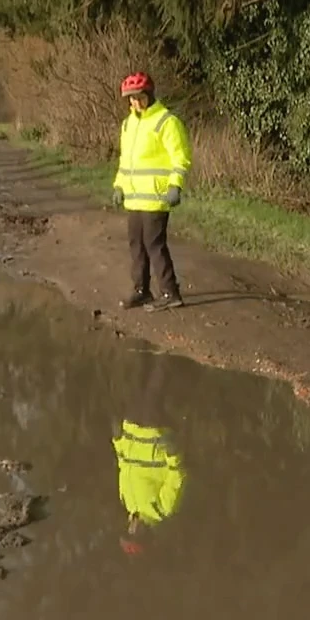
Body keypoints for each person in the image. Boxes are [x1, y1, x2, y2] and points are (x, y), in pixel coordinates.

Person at [111, 72, 190, 311]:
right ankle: (141, 291)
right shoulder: (128, 124)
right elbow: (126, 161)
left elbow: (181, 157)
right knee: (137, 245)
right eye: (131, 99)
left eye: (139, 97)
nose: (135, 103)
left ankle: (170, 293)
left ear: (149, 95)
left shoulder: (166, 122)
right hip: (134, 198)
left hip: (156, 197)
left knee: (154, 245)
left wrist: (176, 185)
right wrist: (118, 185)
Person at [114, 353, 185, 555]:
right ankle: (168, 346)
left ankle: (144, 341)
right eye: (135, 534)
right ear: (146, 535)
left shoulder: (127, 502)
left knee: (137, 382)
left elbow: (123, 464)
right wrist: (173, 452)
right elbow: (177, 476)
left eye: (128, 532)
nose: (132, 529)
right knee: (155, 387)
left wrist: (117, 440)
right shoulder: (162, 509)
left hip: (132, 428)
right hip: (155, 433)